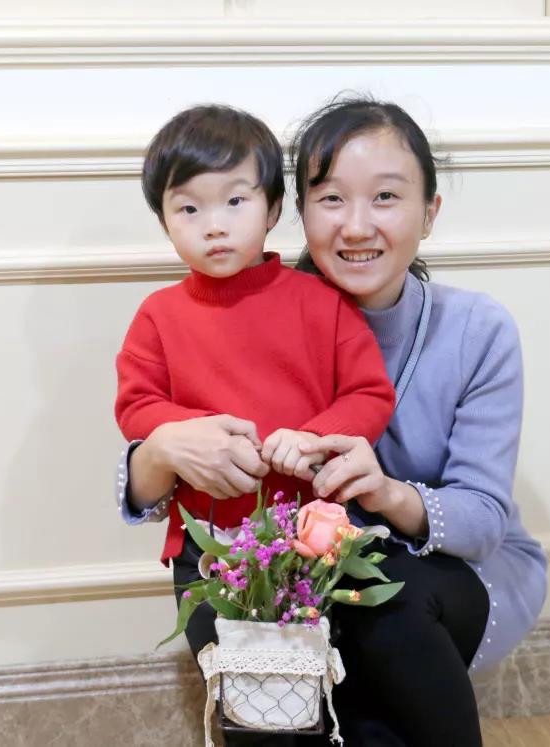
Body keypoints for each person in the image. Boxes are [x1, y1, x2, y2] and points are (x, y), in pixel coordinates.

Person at [118, 97, 547, 746]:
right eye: (330, 199)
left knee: (383, 611)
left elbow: (483, 518)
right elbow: (143, 430)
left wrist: (385, 492)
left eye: (384, 197)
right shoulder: (234, 305)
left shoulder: (476, 329)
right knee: (293, 663)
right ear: (296, 211)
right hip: (301, 562)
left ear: (429, 213)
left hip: (447, 572)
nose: (355, 226)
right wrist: (167, 444)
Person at [114, 104, 397, 694]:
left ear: (272, 209)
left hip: (314, 542)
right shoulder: (158, 316)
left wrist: (316, 436)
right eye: (188, 208)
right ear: (165, 221)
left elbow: (370, 392)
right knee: (246, 702)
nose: (213, 225)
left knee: (319, 696)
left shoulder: (321, 303)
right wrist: (190, 432)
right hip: (207, 549)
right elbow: (137, 407)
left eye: (235, 202)